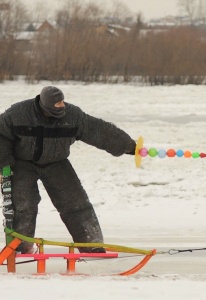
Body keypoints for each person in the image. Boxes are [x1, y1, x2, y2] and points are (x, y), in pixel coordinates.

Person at [0, 86, 136, 254]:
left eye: (62, 101)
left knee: (76, 203)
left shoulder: (73, 116)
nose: (62, 105)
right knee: (23, 204)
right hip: (22, 163)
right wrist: (4, 162)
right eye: (58, 103)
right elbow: (1, 135)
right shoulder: (18, 113)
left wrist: (127, 146)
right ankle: (20, 247)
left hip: (57, 162)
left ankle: (91, 245)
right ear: (46, 105)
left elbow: (98, 130)